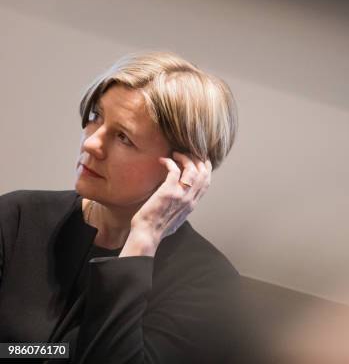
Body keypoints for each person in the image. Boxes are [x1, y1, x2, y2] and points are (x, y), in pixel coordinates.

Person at [0, 51, 241, 363]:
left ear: (182, 169)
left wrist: (142, 240)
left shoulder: (208, 284)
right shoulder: (18, 217)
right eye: (95, 118)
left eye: (124, 138)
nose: (91, 143)